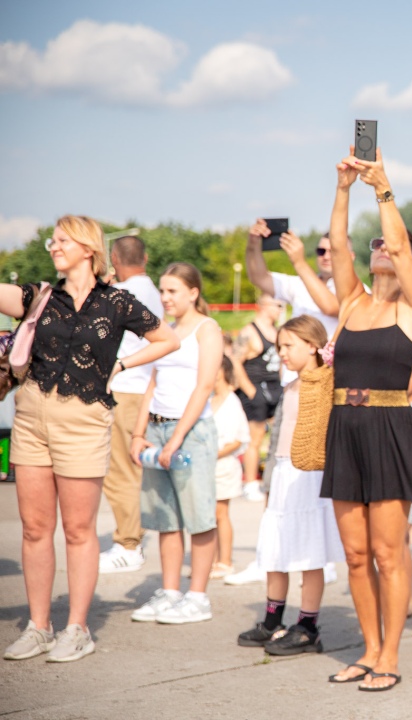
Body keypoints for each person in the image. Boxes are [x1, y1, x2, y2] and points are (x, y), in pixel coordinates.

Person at [1, 216, 177, 663]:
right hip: (32, 414)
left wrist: (120, 367)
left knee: (79, 531)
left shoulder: (117, 302)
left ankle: (77, 628)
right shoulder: (40, 295)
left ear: (88, 248)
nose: (53, 246)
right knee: (36, 528)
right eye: (53, 240)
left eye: (62, 240)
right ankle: (39, 626)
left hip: (84, 418)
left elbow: (166, 339)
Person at [322, 147, 412, 691]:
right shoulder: (350, 302)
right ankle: (368, 649)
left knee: (389, 553)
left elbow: (402, 251)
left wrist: (382, 188)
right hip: (344, 428)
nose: (383, 249)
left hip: (390, 428)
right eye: (378, 245)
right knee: (355, 552)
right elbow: (338, 244)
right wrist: (344, 188)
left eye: (393, 245)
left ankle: (390, 655)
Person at [238, 315, 344, 656]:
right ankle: (273, 619)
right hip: (283, 473)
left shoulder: (327, 383)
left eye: (289, 346)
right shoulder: (290, 385)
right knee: (276, 549)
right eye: (280, 345)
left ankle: (308, 624)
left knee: (310, 551)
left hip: (310, 475)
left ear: (313, 346)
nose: (281, 352)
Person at [129, 263, 223, 625]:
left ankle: (197, 597)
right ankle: (170, 592)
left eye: (173, 291)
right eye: (163, 291)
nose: (165, 298)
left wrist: (177, 438)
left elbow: (204, 386)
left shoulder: (207, 329)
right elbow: (152, 384)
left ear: (193, 293)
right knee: (165, 517)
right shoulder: (163, 331)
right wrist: (139, 434)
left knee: (198, 517)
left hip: (192, 435)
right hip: (157, 430)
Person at [99, 235, 167, 574]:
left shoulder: (120, 296)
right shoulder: (157, 292)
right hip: (148, 389)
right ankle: (132, 537)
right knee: (136, 470)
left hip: (124, 388)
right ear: (147, 256)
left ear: (115, 258)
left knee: (120, 472)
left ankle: (128, 543)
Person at [246, 223, 342, 336]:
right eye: (321, 251)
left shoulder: (358, 291)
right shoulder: (300, 284)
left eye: (333, 251)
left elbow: (331, 307)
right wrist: (253, 245)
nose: (326, 257)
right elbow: (259, 278)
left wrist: (299, 262)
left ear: (351, 256)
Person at [232, 293, 283, 502]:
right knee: (256, 438)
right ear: (263, 306)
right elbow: (235, 361)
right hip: (256, 387)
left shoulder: (277, 332)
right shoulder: (250, 332)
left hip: (275, 387)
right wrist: (250, 391)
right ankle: (250, 482)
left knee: (279, 437)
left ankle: (272, 479)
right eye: (277, 305)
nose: (280, 309)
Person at [210, 355, 249, 579]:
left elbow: (238, 439)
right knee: (209, 516)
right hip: (207, 465)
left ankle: (225, 561)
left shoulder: (231, 401)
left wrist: (212, 454)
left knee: (221, 514)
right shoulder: (208, 399)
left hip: (223, 465)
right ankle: (213, 559)